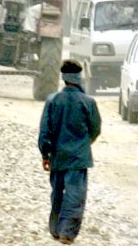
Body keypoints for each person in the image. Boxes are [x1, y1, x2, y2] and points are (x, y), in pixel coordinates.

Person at [38, 60, 101, 244]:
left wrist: (45, 155)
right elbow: (95, 129)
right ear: (79, 77)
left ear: (64, 78)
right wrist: (84, 144)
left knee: (57, 194)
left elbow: (44, 131)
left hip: (58, 157)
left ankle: (55, 229)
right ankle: (67, 232)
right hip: (78, 158)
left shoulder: (53, 100)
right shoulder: (88, 102)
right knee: (75, 196)